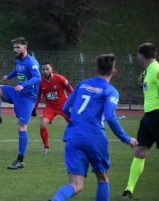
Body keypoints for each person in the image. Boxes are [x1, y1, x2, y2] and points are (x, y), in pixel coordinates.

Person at [48, 54, 138, 201]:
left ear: (96, 69)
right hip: (95, 137)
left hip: (73, 136)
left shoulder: (82, 85)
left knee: (76, 184)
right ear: (113, 71)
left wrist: (79, 120)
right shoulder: (110, 91)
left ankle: (57, 199)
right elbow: (110, 117)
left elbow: (65, 109)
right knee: (103, 178)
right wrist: (126, 139)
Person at [0, 37, 41, 169]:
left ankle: (20, 161)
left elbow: (37, 77)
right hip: (16, 92)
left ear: (25, 48)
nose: (15, 50)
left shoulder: (31, 62)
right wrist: (9, 76)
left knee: (21, 127)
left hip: (27, 98)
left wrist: (24, 85)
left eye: (18, 47)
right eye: (14, 47)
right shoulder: (18, 59)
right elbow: (18, 70)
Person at [119, 42, 159, 199]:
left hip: (157, 115)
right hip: (148, 117)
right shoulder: (148, 71)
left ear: (141, 56)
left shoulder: (156, 70)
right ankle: (129, 190)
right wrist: (141, 82)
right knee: (140, 150)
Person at [31, 62, 73, 153]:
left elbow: (71, 91)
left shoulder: (60, 79)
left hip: (64, 105)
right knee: (42, 123)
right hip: (50, 107)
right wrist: (34, 107)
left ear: (51, 70)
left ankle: (75, 145)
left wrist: (74, 102)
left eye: (47, 69)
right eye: (43, 69)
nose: (45, 71)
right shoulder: (41, 82)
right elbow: (38, 96)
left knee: (73, 124)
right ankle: (46, 147)